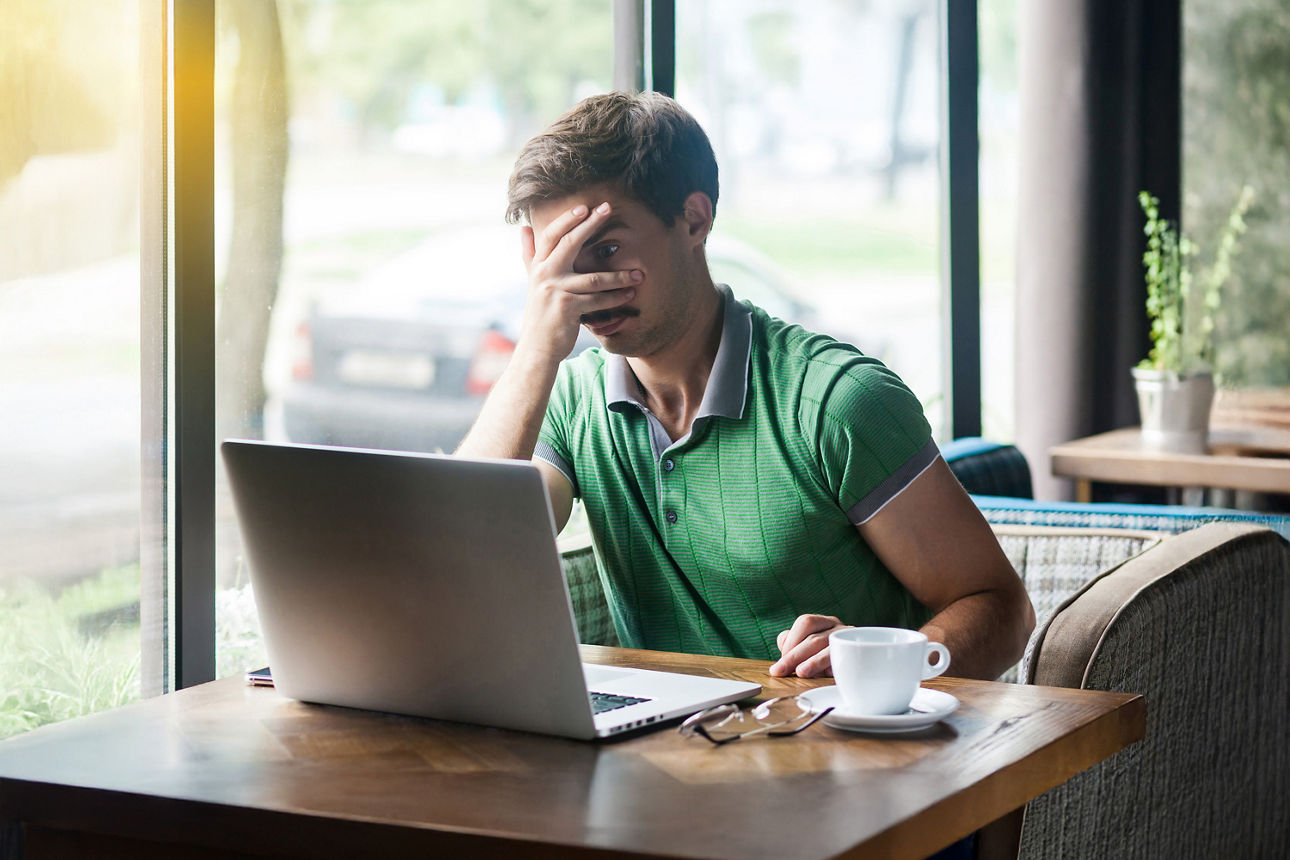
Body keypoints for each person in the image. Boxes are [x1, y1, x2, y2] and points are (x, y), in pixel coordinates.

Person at [457, 91, 1034, 681]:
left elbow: (1003, 610)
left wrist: (886, 659)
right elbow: (462, 550)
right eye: (560, 260)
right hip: (661, 758)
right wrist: (535, 348)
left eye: (604, 250)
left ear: (695, 220)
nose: (584, 287)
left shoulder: (838, 403)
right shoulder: (569, 400)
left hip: (838, 751)